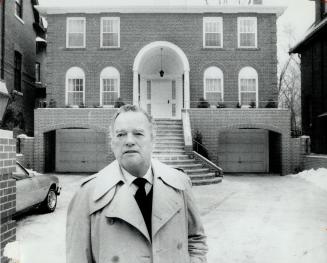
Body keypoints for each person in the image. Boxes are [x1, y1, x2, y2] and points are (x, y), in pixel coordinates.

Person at [66, 104, 208, 263]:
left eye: (138, 133)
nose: (129, 141)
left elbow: (196, 240)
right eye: (120, 135)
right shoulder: (87, 194)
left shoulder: (179, 183)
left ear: (153, 139)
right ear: (112, 143)